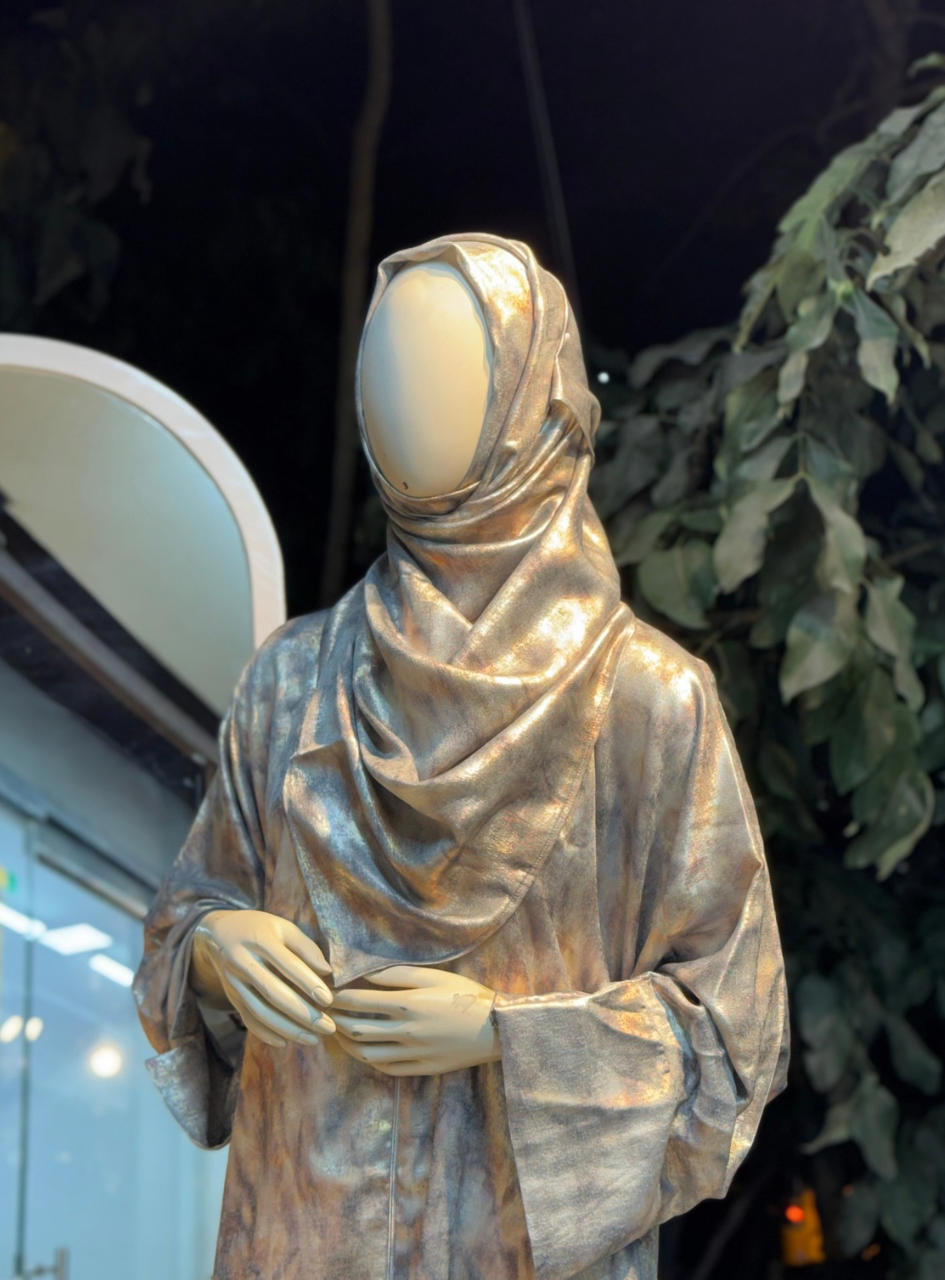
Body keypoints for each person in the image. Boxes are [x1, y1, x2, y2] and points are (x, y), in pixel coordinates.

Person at [134, 232, 789, 1280]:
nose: (403, 407)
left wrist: (508, 1037)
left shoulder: (646, 701)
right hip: (301, 1233)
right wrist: (213, 943)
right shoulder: (292, 681)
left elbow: (735, 1032)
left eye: (450, 372)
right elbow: (185, 918)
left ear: (531, 405)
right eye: (384, 374)